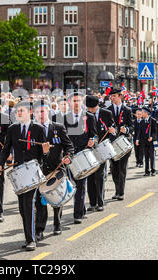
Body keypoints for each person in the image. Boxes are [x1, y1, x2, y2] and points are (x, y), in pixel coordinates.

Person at [0, 101, 50, 251]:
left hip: (33, 171)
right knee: (22, 207)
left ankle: (31, 240)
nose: (18, 113)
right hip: (19, 171)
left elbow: (44, 154)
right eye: (17, 111)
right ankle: (29, 236)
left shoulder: (38, 128)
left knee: (29, 203)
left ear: (30, 112)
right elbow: (6, 149)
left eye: (22, 110)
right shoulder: (13, 129)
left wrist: (45, 151)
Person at [33, 100, 74, 238]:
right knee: (40, 201)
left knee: (57, 197)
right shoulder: (32, 129)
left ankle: (57, 223)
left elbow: (69, 146)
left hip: (57, 167)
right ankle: (39, 229)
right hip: (40, 170)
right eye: (38, 112)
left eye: (43, 111)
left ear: (49, 112)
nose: (41, 114)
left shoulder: (58, 127)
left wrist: (69, 157)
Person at [64, 92, 97, 223]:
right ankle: (81, 207)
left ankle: (77, 214)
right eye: (74, 101)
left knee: (81, 184)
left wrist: (92, 141)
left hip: (83, 153)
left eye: (78, 101)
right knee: (73, 183)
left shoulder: (89, 117)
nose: (76, 103)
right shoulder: (64, 118)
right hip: (70, 155)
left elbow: (94, 135)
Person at [85, 95, 115, 212]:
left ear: (96, 106)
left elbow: (112, 127)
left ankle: (100, 202)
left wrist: (113, 130)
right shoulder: (85, 115)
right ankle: (92, 203)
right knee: (90, 176)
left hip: (102, 148)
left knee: (100, 176)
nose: (89, 110)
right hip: (89, 148)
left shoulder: (107, 113)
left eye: (91, 108)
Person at [106, 88, 133, 201]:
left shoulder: (127, 110)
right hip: (112, 143)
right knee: (114, 168)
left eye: (114, 96)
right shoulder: (107, 110)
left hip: (123, 142)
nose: (112, 98)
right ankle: (117, 189)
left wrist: (126, 129)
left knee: (122, 168)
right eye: (110, 96)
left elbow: (132, 126)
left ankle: (120, 192)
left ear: (120, 96)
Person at [137, 107, 157, 176]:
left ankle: (153, 170)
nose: (141, 113)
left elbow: (155, 131)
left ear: (146, 113)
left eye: (142, 112)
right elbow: (140, 131)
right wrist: (137, 139)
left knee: (152, 156)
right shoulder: (142, 121)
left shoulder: (153, 121)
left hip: (151, 141)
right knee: (146, 157)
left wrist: (152, 137)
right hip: (144, 141)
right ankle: (147, 171)